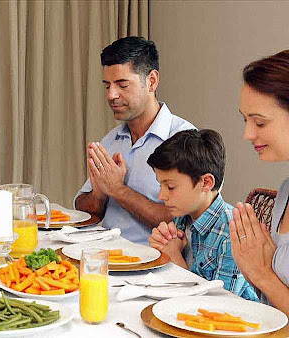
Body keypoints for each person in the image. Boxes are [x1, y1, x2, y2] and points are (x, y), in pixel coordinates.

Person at [73, 36, 195, 245]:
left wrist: (119, 191)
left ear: (152, 81)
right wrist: (99, 194)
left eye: (122, 85)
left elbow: (181, 222)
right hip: (104, 256)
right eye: (107, 86)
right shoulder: (111, 140)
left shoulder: (185, 139)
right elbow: (82, 209)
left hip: (156, 268)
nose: (111, 95)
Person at [147, 129, 258, 300]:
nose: (161, 196)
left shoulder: (232, 234)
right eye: (160, 185)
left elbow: (220, 305)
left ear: (206, 182)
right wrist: (162, 249)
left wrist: (174, 256)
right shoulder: (182, 217)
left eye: (170, 187)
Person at [229, 50, 289, 314]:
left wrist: (263, 274)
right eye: (245, 120)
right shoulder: (286, 192)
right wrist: (253, 269)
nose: (247, 134)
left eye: (260, 123)